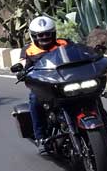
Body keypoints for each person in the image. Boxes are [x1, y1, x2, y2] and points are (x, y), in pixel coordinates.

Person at [13, 16, 70, 148]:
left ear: (54, 33)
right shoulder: (28, 50)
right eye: (40, 35)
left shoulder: (64, 43)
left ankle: (104, 128)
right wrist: (20, 70)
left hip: (66, 80)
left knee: (92, 94)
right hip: (44, 86)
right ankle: (41, 138)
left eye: (47, 34)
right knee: (34, 99)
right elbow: (22, 63)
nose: (44, 37)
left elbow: (78, 52)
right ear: (34, 36)